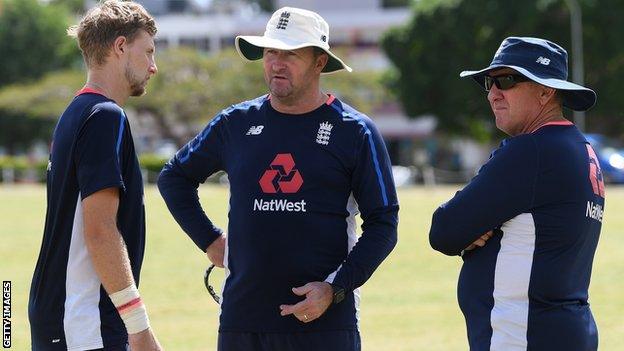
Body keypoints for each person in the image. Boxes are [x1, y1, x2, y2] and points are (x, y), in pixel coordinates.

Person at [158, 7, 398, 351]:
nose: (276, 63)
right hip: (242, 321)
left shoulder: (354, 131)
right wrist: (210, 240)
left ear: (319, 62)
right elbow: (174, 177)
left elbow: (384, 223)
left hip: (323, 325)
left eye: (291, 53)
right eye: (271, 51)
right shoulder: (235, 124)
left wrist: (335, 288)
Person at [429, 37, 602, 351]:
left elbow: (444, 229)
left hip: (524, 336)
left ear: (546, 90)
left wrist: (472, 228)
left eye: (506, 81)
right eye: (488, 83)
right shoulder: (578, 147)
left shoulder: (533, 150)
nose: (493, 94)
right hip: (559, 330)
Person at [28, 1, 162, 350]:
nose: (153, 66)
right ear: (120, 47)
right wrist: (139, 327)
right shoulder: (105, 116)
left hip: (61, 313)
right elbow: (100, 231)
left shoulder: (75, 112)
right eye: (147, 52)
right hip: (83, 319)